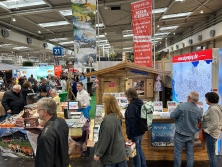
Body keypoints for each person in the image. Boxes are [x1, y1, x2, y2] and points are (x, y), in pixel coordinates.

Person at [170, 92, 203, 167]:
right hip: (191, 134)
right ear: (197, 100)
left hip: (180, 134)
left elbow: (172, 116)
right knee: (190, 153)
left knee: (178, 153)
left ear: (188, 97)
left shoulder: (181, 106)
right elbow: (199, 121)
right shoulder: (199, 111)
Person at [94, 94, 127, 167]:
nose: (103, 105)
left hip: (111, 156)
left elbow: (105, 138)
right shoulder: (117, 115)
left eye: (104, 103)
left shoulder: (108, 120)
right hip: (120, 153)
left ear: (108, 104)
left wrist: (98, 153)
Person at [35, 98, 69, 167]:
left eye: (38, 110)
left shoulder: (46, 135)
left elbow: (45, 161)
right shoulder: (61, 121)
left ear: (45, 112)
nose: (37, 112)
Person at [124, 88, 147, 167]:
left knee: (135, 151)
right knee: (139, 148)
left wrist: (129, 135)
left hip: (135, 132)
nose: (126, 97)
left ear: (129, 96)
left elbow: (131, 122)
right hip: (141, 130)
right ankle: (143, 165)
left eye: (127, 96)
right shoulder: (140, 103)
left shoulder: (132, 106)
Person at [201, 92, 222, 167]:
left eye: (206, 98)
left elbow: (215, 123)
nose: (205, 99)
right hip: (213, 133)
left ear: (209, 99)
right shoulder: (215, 107)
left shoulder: (213, 109)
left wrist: (206, 130)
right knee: (211, 154)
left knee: (211, 154)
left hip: (211, 134)